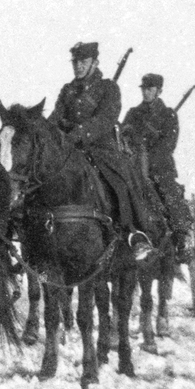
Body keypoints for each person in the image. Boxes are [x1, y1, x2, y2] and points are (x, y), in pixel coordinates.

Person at [48, 41, 158, 261]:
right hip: (70, 151)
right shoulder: (67, 90)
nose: (78, 66)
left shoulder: (109, 88)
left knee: (121, 183)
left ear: (95, 62)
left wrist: (77, 134)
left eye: (83, 62)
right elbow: (55, 118)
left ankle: (135, 233)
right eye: (76, 62)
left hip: (101, 150)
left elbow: (104, 120)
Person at [120, 73, 193, 262]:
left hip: (159, 167)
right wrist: (133, 148)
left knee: (170, 195)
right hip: (134, 166)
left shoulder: (169, 115)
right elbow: (123, 136)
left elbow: (169, 144)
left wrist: (147, 156)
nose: (146, 92)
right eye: (144, 89)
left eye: (150, 89)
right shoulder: (133, 114)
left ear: (159, 91)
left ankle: (180, 239)